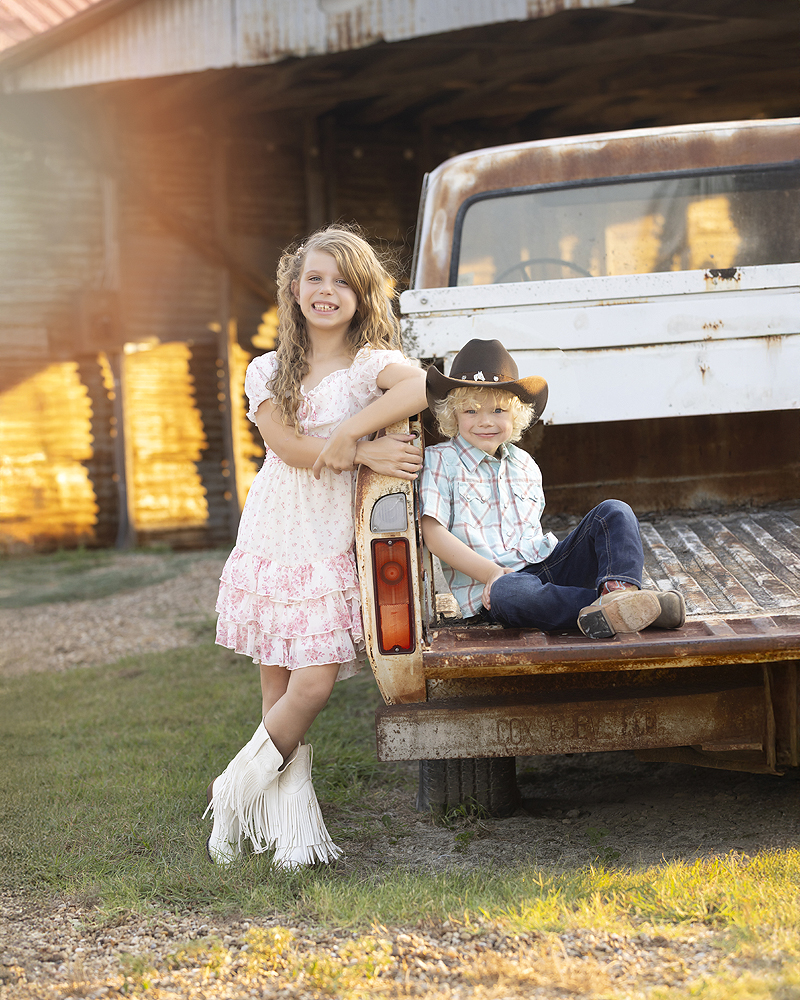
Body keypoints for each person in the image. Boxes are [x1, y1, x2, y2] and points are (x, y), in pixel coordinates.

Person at [206, 226, 427, 869]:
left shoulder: (369, 364)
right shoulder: (267, 369)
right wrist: (359, 451)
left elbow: (420, 387)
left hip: (330, 531)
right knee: (278, 684)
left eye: (340, 281)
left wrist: (354, 426)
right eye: (313, 278)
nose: (325, 291)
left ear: (361, 295)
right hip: (277, 526)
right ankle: (293, 839)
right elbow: (289, 448)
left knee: (313, 683)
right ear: (294, 288)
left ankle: (232, 790)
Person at [420, 338, 685, 639]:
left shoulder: (524, 464)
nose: (485, 421)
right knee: (513, 594)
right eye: (471, 411)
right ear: (452, 414)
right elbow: (434, 535)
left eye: (497, 411)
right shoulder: (440, 461)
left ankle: (620, 592)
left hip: (548, 564)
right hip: (498, 585)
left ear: (515, 415)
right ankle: (627, 610)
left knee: (614, 511)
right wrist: (492, 574)